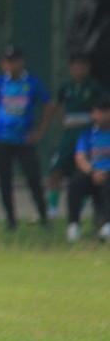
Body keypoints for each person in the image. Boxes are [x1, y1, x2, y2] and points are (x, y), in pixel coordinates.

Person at [0, 45, 54, 230]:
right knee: (4, 180)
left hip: (24, 139)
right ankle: (11, 220)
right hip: (1, 138)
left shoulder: (32, 82)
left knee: (33, 179)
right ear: (3, 63)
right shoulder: (0, 81)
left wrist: (41, 131)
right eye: (8, 61)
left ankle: (44, 217)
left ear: (21, 61)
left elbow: (48, 103)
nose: (11, 65)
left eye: (15, 60)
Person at [48, 53, 108, 218]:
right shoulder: (66, 87)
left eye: (82, 65)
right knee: (56, 168)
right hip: (69, 134)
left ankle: (80, 209)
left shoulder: (94, 87)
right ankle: (52, 209)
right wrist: (64, 120)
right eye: (75, 65)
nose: (79, 69)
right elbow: (56, 105)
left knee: (82, 170)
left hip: (86, 134)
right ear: (70, 67)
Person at [65, 94, 110, 242]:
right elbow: (80, 157)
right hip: (92, 173)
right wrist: (92, 172)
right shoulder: (87, 134)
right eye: (98, 112)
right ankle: (73, 225)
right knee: (74, 184)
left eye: (105, 112)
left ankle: (107, 225)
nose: (101, 116)